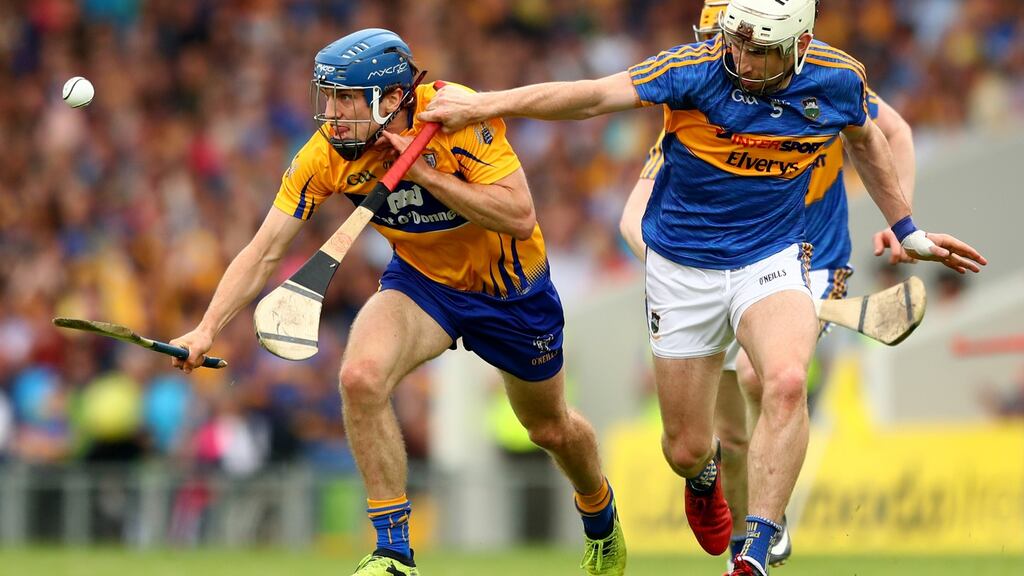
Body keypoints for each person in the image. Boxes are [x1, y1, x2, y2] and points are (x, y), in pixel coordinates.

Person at [419, 1, 986, 574]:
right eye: (736, 42)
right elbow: (592, 97)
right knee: (685, 448)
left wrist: (906, 227)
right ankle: (706, 474)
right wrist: (485, 104)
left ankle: (757, 547)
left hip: (774, 255)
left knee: (781, 380)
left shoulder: (837, 78)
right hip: (683, 271)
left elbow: (870, 137)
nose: (740, 59)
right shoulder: (693, 71)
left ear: (802, 43)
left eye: (759, 50)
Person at [170, 28, 627, 576]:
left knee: (550, 429)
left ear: (391, 99)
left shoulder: (457, 117)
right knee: (360, 377)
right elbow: (265, 250)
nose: (333, 114)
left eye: (346, 99)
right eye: (329, 97)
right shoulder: (325, 156)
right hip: (422, 284)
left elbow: (519, 215)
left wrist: (424, 175)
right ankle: (393, 552)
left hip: (511, 291)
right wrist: (206, 327)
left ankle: (599, 514)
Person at [618, 1, 918, 572]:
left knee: (769, 376)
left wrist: (902, 219)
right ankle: (736, 531)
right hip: (710, 271)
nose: (728, 58)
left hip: (810, 258)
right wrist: (676, 268)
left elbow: (893, 132)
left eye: (739, 44)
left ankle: (763, 534)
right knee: (714, 439)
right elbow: (633, 218)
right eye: (716, 40)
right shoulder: (696, 110)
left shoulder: (822, 86)